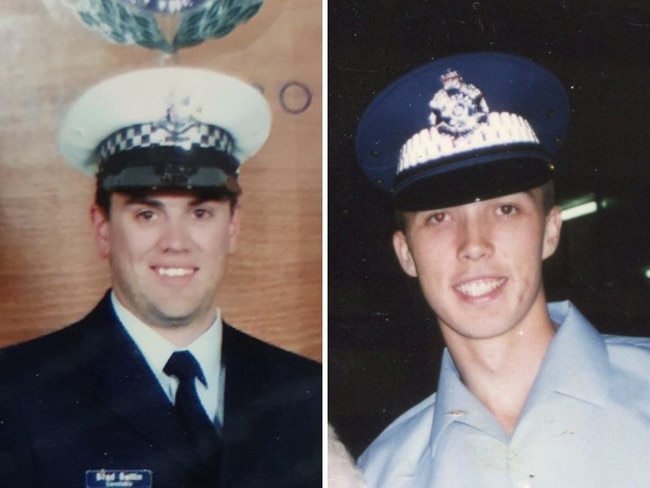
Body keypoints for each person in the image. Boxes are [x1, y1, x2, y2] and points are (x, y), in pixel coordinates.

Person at [0, 67, 321, 488]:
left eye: (200, 213)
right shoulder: (16, 393)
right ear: (103, 228)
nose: (176, 242)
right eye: (147, 214)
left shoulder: (307, 393)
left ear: (232, 227)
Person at [353, 52, 650, 487]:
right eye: (439, 217)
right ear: (406, 254)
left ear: (550, 231)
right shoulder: (382, 474)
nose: (474, 244)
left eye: (506, 209)